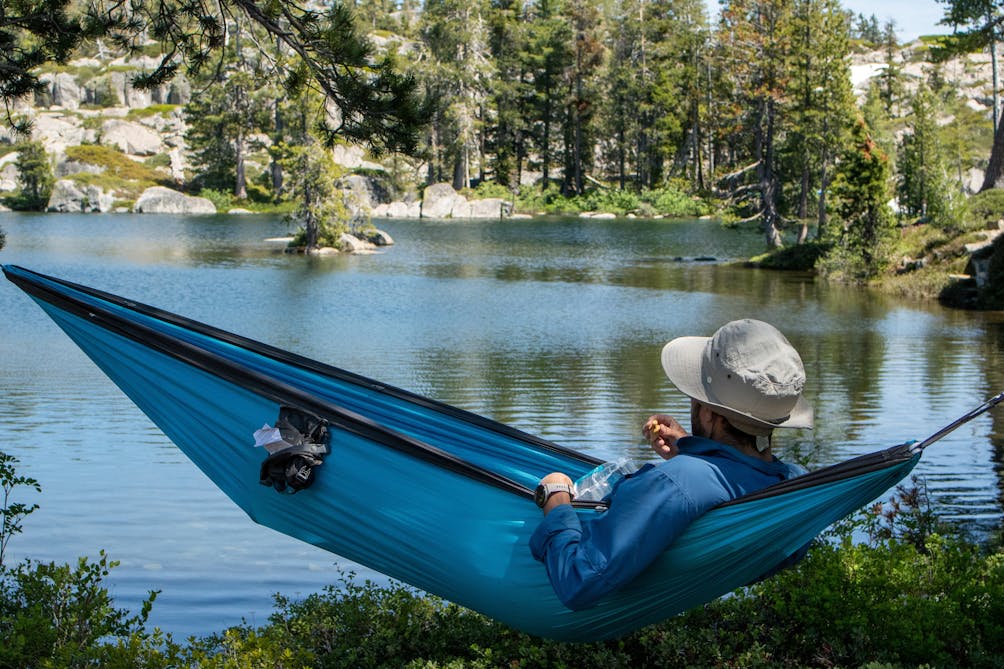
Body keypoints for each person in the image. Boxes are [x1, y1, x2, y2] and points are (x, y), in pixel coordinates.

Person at [529, 319, 812, 610]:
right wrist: (691, 450)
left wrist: (556, 498)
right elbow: (731, 484)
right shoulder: (794, 485)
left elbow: (579, 582)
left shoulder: (677, 483)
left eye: (696, 396)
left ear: (708, 415)